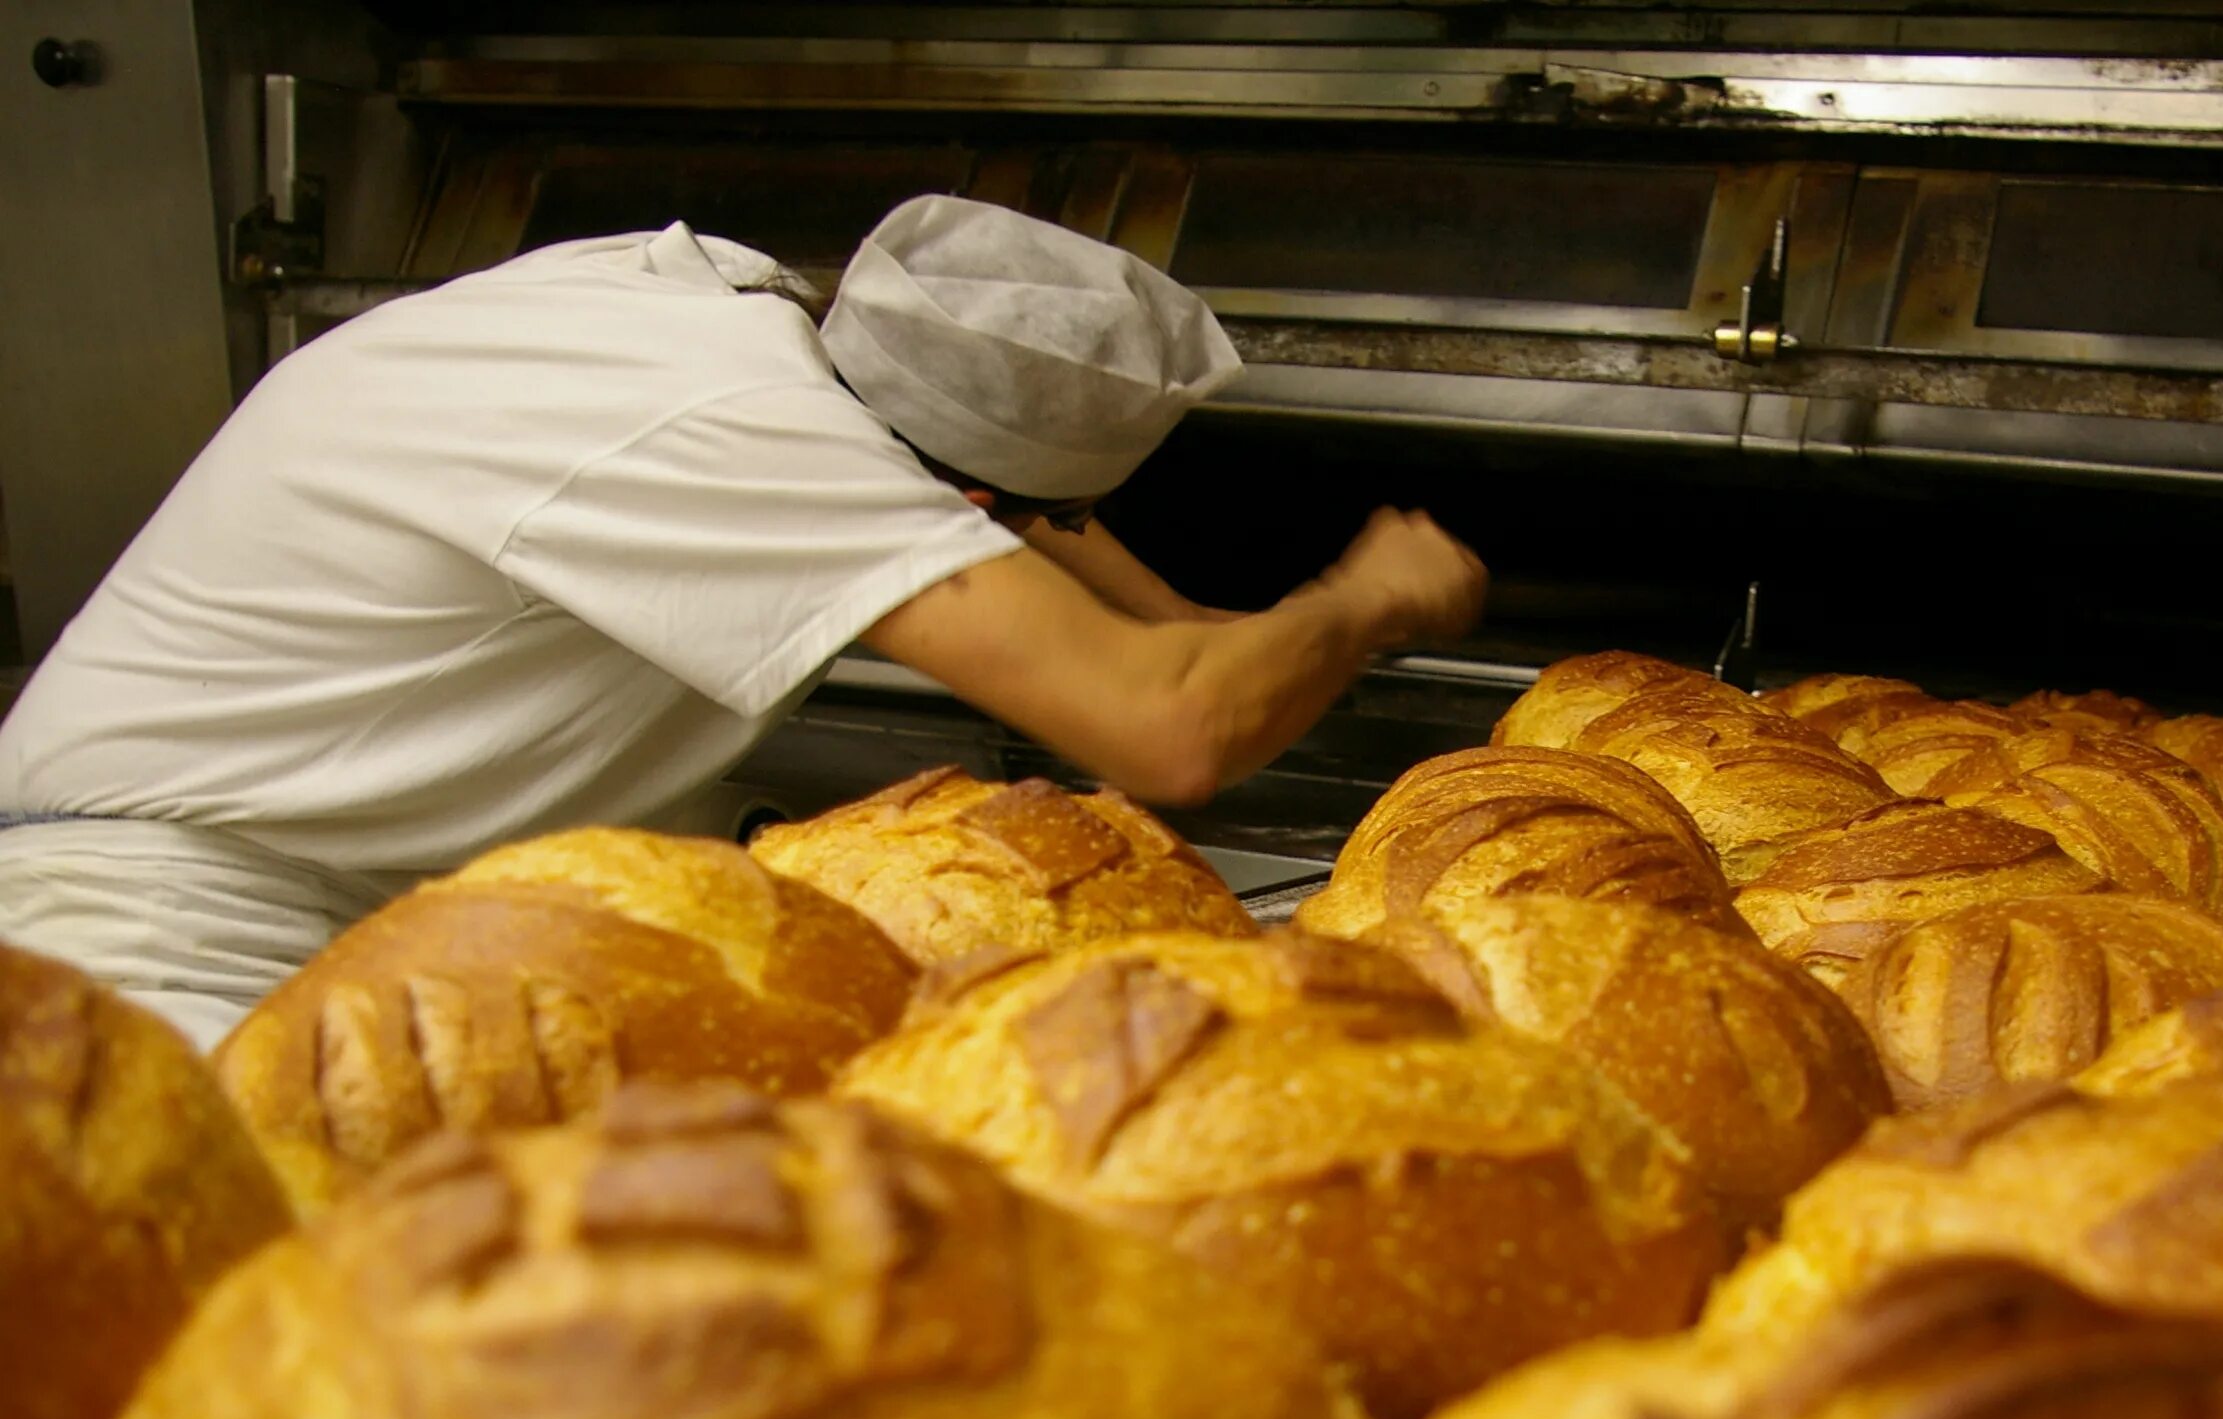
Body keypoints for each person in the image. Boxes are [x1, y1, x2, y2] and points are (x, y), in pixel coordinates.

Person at [0, 194, 1486, 1047]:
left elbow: (1071, 549)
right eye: (996, 517)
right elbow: (1167, 725)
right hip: (152, 922)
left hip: (363, 905)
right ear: (955, 496)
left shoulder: (718, 318)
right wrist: (1364, 600)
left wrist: (1240, 625)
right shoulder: (736, 432)